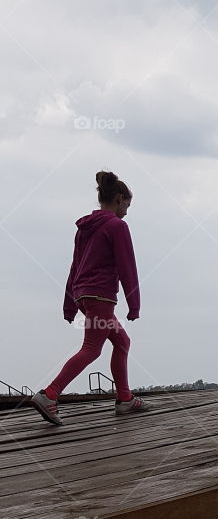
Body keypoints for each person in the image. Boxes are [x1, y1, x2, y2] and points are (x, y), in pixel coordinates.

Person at [31, 170, 149, 425]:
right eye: (127, 205)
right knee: (91, 348)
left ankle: (125, 399)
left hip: (83, 295)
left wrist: (69, 305)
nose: (127, 211)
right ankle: (49, 394)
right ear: (118, 199)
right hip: (101, 296)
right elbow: (127, 265)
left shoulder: (84, 228)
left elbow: (74, 267)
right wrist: (134, 304)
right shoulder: (117, 226)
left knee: (121, 341)